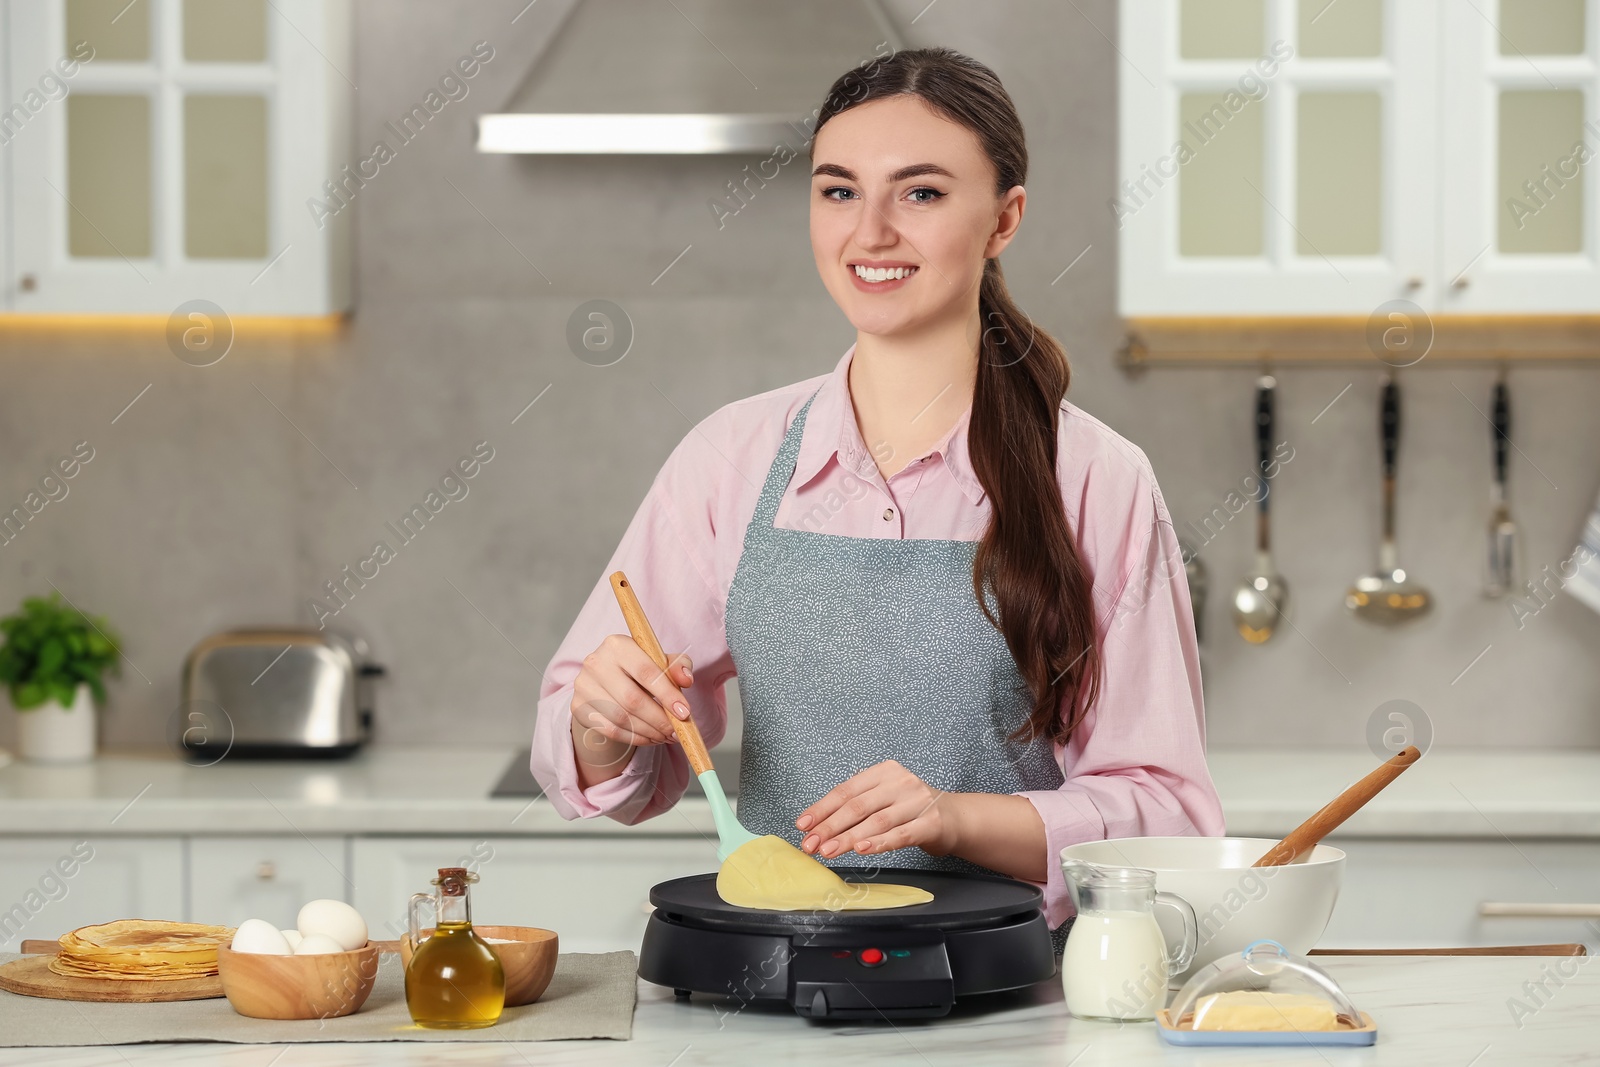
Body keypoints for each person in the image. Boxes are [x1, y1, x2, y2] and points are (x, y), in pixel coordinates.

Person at [531, 46, 1223, 951]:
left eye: (922, 193)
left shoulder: (1096, 479)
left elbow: (1169, 817)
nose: (871, 233)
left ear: (1004, 219)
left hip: (1014, 996)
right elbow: (597, 760)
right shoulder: (731, 458)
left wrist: (953, 818)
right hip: (770, 988)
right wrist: (600, 722)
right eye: (839, 190)